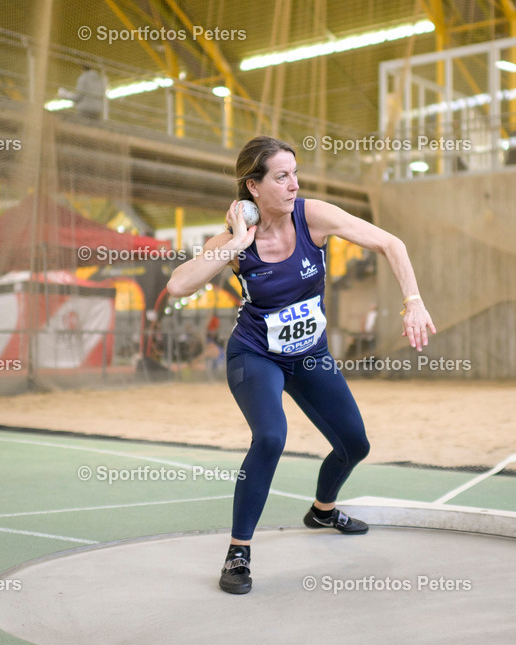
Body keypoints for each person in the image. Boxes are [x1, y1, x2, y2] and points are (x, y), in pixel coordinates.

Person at [166, 136, 436, 594]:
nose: (294, 184)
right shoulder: (237, 242)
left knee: (355, 444)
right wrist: (236, 242)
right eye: (281, 176)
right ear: (253, 186)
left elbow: (392, 244)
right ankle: (238, 554)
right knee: (271, 436)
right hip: (255, 355)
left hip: (312, 356)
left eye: (295, 173)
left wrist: (413, 301)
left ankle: (323, 511)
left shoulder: (313, 217)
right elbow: (178, 285)